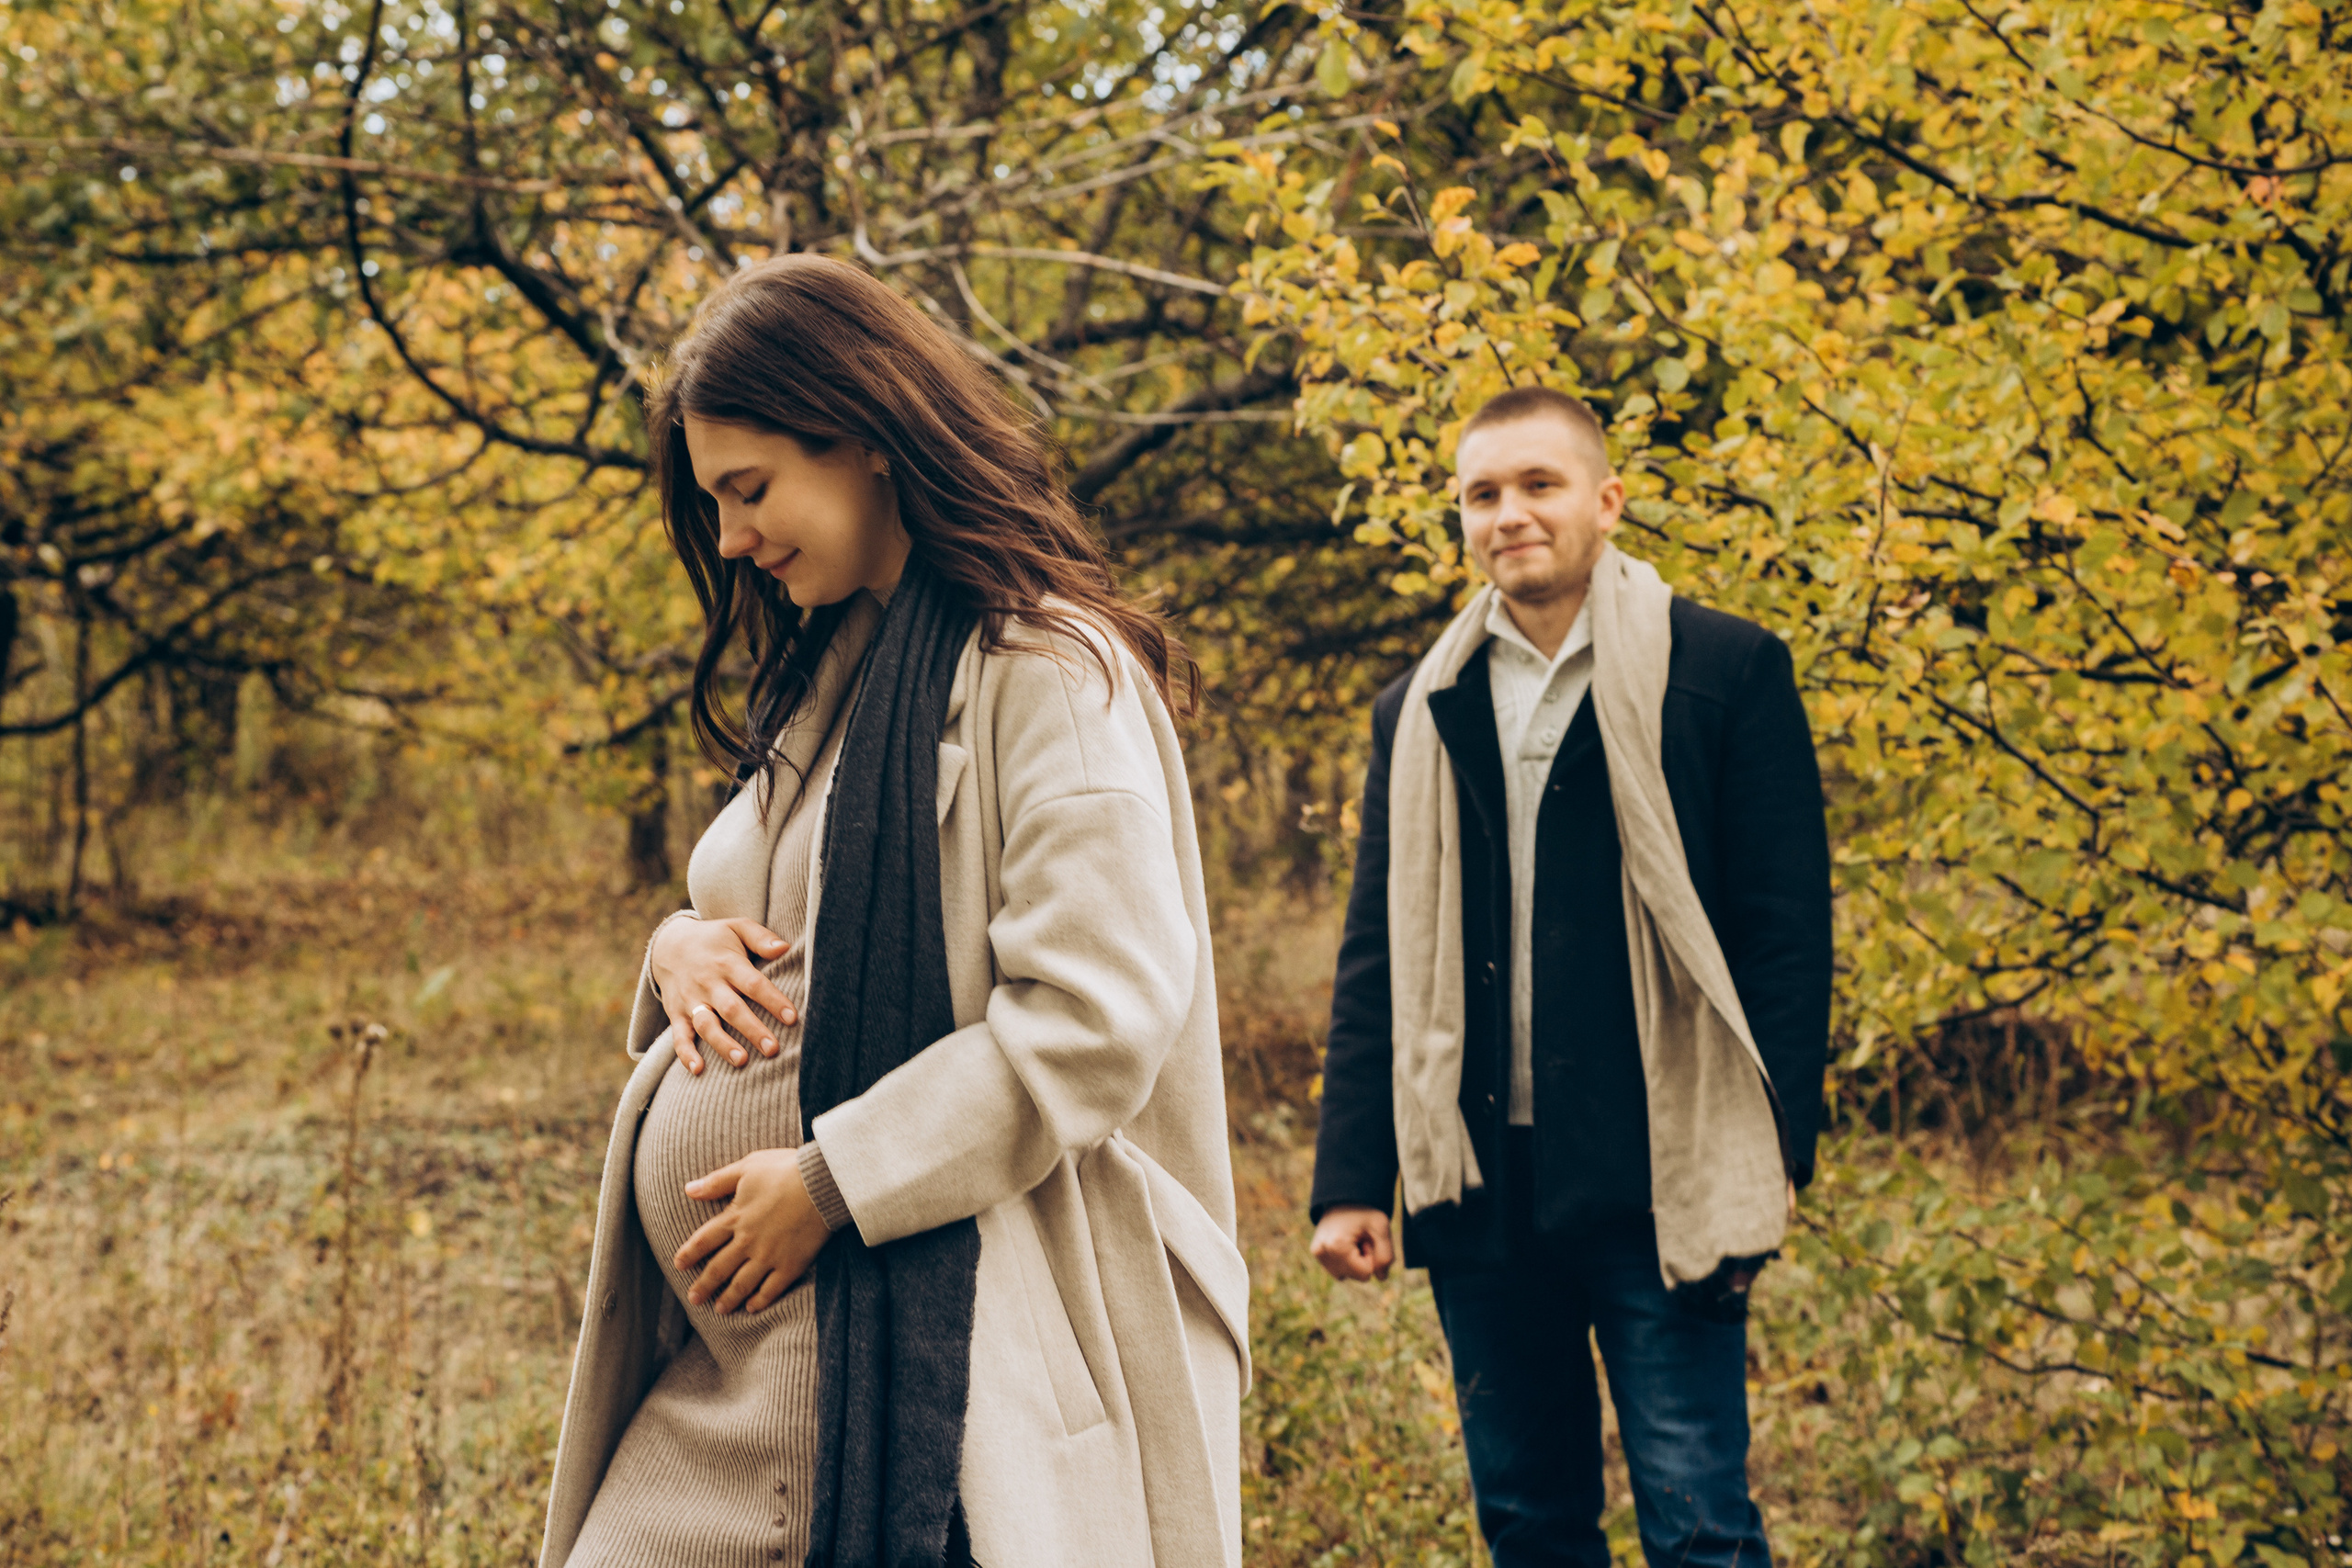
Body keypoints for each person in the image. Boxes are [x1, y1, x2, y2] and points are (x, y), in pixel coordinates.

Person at [539, 254, 1248, 1568]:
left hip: (930, 1331)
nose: (736, 535)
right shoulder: (837, 666)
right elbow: (762, 904)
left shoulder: (1044, 668)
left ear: (861, 433)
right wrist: (676, 944)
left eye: (750, 490)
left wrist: (833, 1178)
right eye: (719, 504)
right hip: (746, 1362)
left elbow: (1096, 1016)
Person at [1306, 386, 1830, 1567]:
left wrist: (1776, 1146)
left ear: (1606, 499)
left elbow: (1785, 936)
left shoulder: (1725, 671)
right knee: (1529, 1523)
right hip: (1481, 1184)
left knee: (1699, 1520)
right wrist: (1352, 1179)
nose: (1510, 516)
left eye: (1538, 486)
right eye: (1481, 495)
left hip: (1664, 1174)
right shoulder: (1419, 707)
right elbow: (1377, 953)